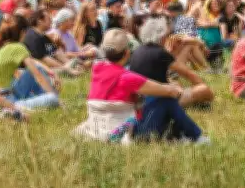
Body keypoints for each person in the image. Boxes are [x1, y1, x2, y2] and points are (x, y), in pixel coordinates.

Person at [74, 28, 209, 144]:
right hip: (120, 134)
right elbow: (169, 92)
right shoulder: (128, 78)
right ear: (127, 52)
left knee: (152, 102)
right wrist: (176, 88)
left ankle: (178, 135)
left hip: (98, 127)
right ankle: (196, 137)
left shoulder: (97, 68)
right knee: (165, 100)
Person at [130, 18, 215, 107]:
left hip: (139, 99)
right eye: (167, 35)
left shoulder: (138, 50)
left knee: (175, 83)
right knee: (203, 90)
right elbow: (189, 74)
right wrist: (206, 91)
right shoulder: (160, 53)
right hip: (157, 102)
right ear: (162, 36)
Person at [0, 15, 60, 109]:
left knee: (34, 70)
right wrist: (54, 97)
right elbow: (38, 77)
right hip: (9, 102)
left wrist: (49, 70)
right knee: (52, 99)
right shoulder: (17, 47)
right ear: (22, 32)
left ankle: (42, 97)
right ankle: (50, 98)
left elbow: (32, 64)